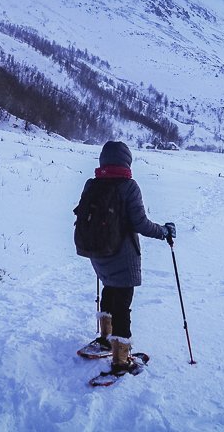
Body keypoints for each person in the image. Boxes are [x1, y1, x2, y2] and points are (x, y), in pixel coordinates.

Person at [77, 140, 175, 372]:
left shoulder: (92, 184)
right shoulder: (129, 186)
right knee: (123, 305)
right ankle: (121, 359)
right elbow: (140, 224)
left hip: (98, 253)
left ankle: (105, 338)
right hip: (123, 256)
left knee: (109, 291)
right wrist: (164, 231)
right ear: (126, 162)